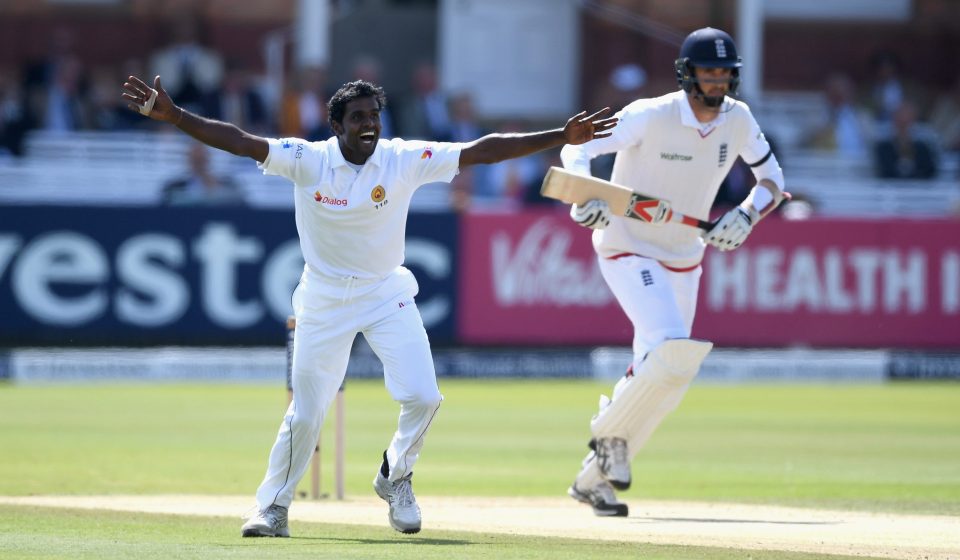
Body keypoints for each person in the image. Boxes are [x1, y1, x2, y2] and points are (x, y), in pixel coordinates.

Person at [121, 73, 616, 536]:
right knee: (308, 412)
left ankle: (395, 476)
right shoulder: (308, 159)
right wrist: (177, 116)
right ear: (336, 126)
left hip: (386, 292)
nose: (369, 126)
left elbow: (478, 152)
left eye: (374, 117)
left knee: (423, 395)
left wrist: (560, 136)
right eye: (357, 118)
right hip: (324, 297)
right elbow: (240, 141)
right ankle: (273, 506)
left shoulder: (401, 158)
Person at [558, 27, 787, 517]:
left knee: (673, 372)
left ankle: (593, 479)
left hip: (684, 254)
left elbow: (772, 180)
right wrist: (586, 194)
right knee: (667, 347)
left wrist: (746, 215)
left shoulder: (739, 120)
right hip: (628, 245)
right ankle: (608, 432)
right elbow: (577, 147)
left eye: (725, 72)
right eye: (709, 71)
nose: (718, 81)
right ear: (687, 73)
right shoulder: (650, 114)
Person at [161, 142, 246, 206]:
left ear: (208, 159)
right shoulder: (174, 187)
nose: (199, 164)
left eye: (202, 160)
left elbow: (241, 205)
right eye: (195, 160)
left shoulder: (228, 185)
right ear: (189, 161)